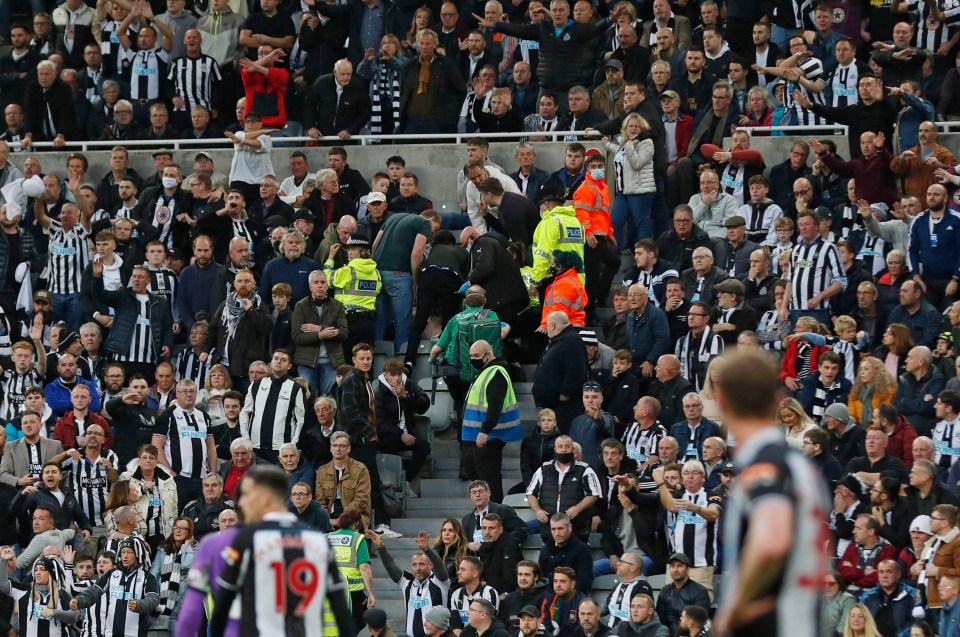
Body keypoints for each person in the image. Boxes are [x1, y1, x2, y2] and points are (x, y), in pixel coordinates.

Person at [206, 465, 353, 637]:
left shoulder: (245, 541)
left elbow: (222, 606)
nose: (242, 504)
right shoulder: (319, 540)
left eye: (246, 496)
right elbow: (342, 613)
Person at [316, 431, 373, 531]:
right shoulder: (322, 471)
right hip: (330, 517)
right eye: (335, 445)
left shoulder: (360, 470)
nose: (338, 449)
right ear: (330, 448)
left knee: (349, 526)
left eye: (342, 446)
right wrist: (326, 519)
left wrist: (342, 519)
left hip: (354, 516)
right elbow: (320, 501)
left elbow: (361, 500)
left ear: (349, 449)